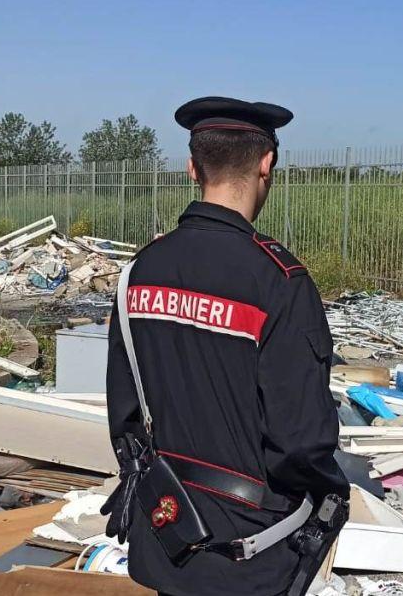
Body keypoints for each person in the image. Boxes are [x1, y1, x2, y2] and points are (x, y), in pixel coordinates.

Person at [103, 97, 350, 596]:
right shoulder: (279, 281)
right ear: (267, 163)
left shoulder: (139, 271)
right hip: (251, 551)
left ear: (193, 167)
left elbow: (125, 416)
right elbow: (300, 440)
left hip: (165, 531)